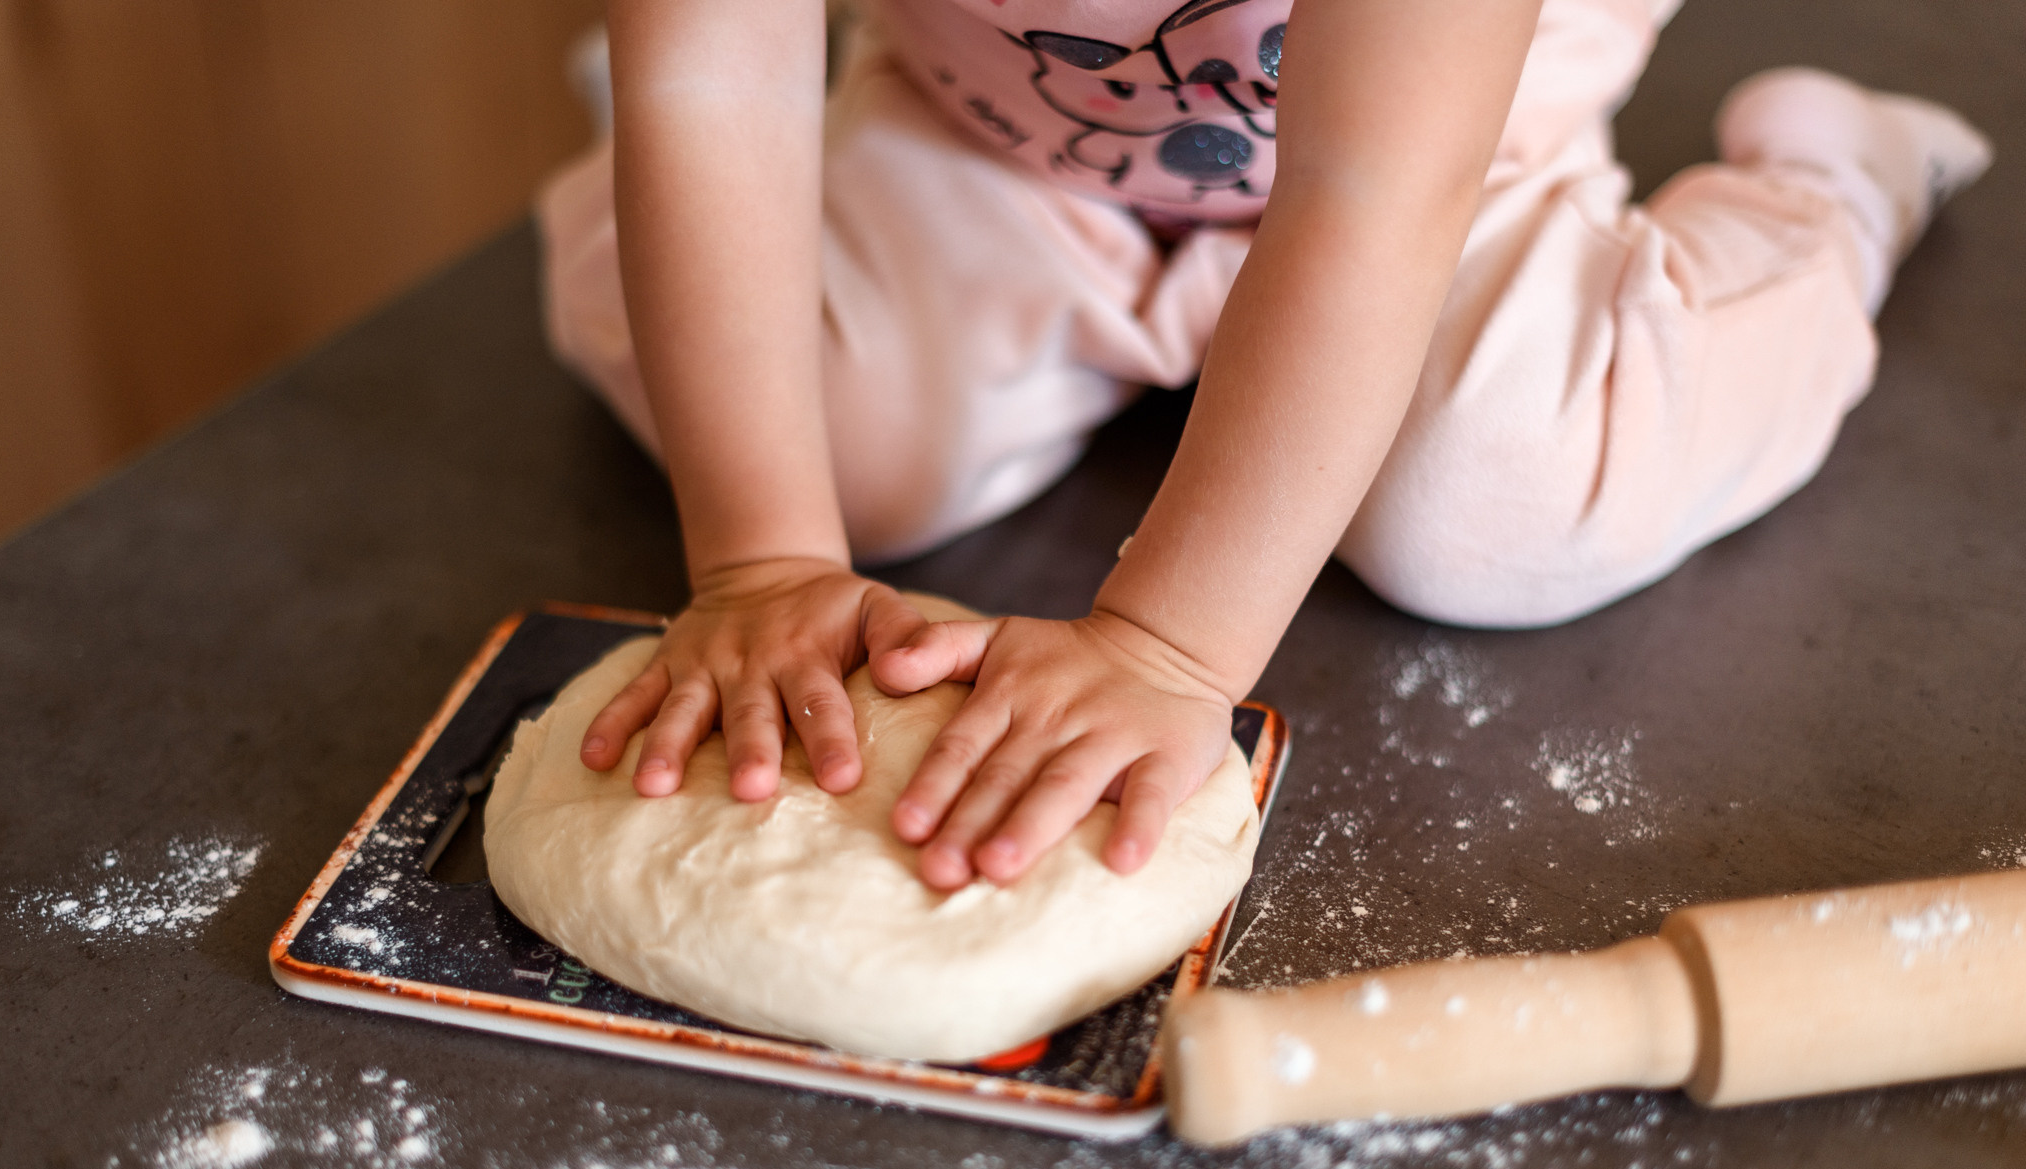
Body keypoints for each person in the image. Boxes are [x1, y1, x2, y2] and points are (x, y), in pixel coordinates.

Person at [537, 0, 1989, 893]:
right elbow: (709, 84)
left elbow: (1372, 193)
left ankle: (1830, 190)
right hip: (1007, 138)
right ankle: (703, 162)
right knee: (840, 444)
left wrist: (1166, 646)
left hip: (1431, 167)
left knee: (1498, 508)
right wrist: (764, 555)